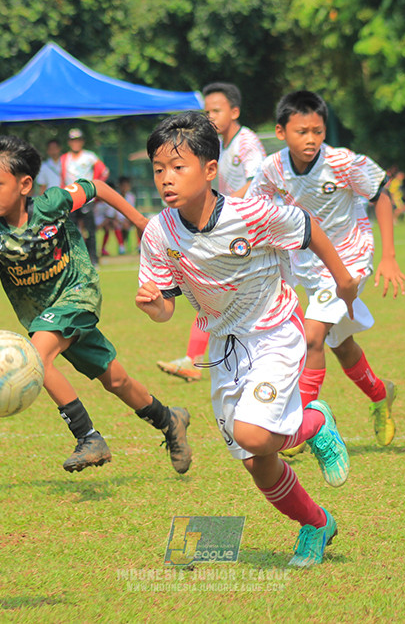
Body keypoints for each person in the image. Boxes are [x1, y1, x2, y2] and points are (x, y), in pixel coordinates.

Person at [137, 111, 357, 567]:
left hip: (275, 332)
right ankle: (316, 524)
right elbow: (167, 310)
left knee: (255, 435)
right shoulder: (160, 232)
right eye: (159, 169)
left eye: (179, 167)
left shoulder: (250, 214)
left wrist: (343, 280)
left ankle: (314, 422)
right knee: (258, 464)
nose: (166, 179)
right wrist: (154, 304)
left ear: (210, 170)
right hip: (224, 350)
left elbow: (309, 228)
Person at [0, 135, 192, 475]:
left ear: (24, 185)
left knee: (35, 356)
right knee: (116, 380)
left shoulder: (51, 204)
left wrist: (140, 222)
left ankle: (88, 437)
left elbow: (96, 186)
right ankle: (170, 420)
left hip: (78, 293)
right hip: (44, 318)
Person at [246, 90, 405, 452]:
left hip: (350, 259)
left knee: (312, 338)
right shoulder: (273, 168)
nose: (311, 139)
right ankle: (382, 396)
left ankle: (304, 425)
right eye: (302, 131)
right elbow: (254, 206)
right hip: (306, 266)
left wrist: (389, 257)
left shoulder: (343, 162)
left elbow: (381, 193)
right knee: (341, 345)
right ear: (281, 131)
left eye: (317, 131)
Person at [155, 82, 267, 383]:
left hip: (248, 230)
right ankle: (195, 359)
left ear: (235, 111)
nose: (210, 116)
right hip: (227, 229)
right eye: (206, 111)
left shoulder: (247, 143)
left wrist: (228, 212)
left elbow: (256, 183)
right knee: (210, 291)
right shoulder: (219, 145)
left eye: (216, 110)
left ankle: (238, 358)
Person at [60, 128, 108, 265]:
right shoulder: (65, 158)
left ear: (82, 142)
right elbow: (62, 179)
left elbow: (104, 171)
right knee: (72, 231)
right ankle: (75, 260)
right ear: (69, 142)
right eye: (73, 140)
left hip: (87, 199)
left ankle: (94, 259)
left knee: (90, 231)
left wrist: (94, 187)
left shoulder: (89, 156)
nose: (76, 143)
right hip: (71, 199)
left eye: (78, 140)